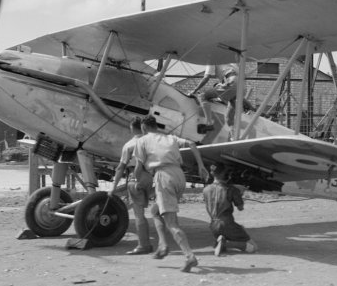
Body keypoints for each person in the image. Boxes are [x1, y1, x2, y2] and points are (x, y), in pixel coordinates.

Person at [133, 115, 210, 272]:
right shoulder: (170, 137)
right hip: (179, 176)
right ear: (156, 126)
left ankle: (189, 256)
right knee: (155, 211)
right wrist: (201, 166)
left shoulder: (142, 140)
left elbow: (138, 167)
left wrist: (137, 182)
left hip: (163, 176)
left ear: (144, 127)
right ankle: (163, 245)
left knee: (171, 222)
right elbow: (192, 143)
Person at [110, 116, 153, 255]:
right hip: (152, 177)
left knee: (139, 214)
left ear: (131, 128)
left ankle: (143, 245)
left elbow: (120, 168)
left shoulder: (129, 145)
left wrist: (113, 187)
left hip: (136, 177)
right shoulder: (151, 142)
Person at [203, 163, 257, 257]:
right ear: (224, 173)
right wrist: (239, 193)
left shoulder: (205, 190)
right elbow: (240, 208)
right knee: (253, 247)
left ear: (212, 173)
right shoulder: (231, 189)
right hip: (227, 224)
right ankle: (227, 243)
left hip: (213, 226)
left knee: (224, 244)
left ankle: (221, 241)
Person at [190, 64, 254, 129]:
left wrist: (195, 90)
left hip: (231, 82)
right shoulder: (231, 63)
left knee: (203, 96)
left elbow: (206, 77)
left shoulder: (211, 60)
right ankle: (233, 132)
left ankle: (209, 123)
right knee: (229, 119)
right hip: (243, 86)